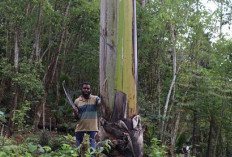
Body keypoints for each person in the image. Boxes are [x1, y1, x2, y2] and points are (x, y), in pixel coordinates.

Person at [73, 82, 101, 149]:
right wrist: (76, 113)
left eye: (88, 88)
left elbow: (100, 102)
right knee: (78, 151)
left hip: (93, 129)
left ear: (90, 89)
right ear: (81, 89)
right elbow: (76, 118)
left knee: (93, 151)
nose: (86, 90)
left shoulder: (95, 98)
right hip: (80, 129)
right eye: (84, 88)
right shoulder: (77, 101)